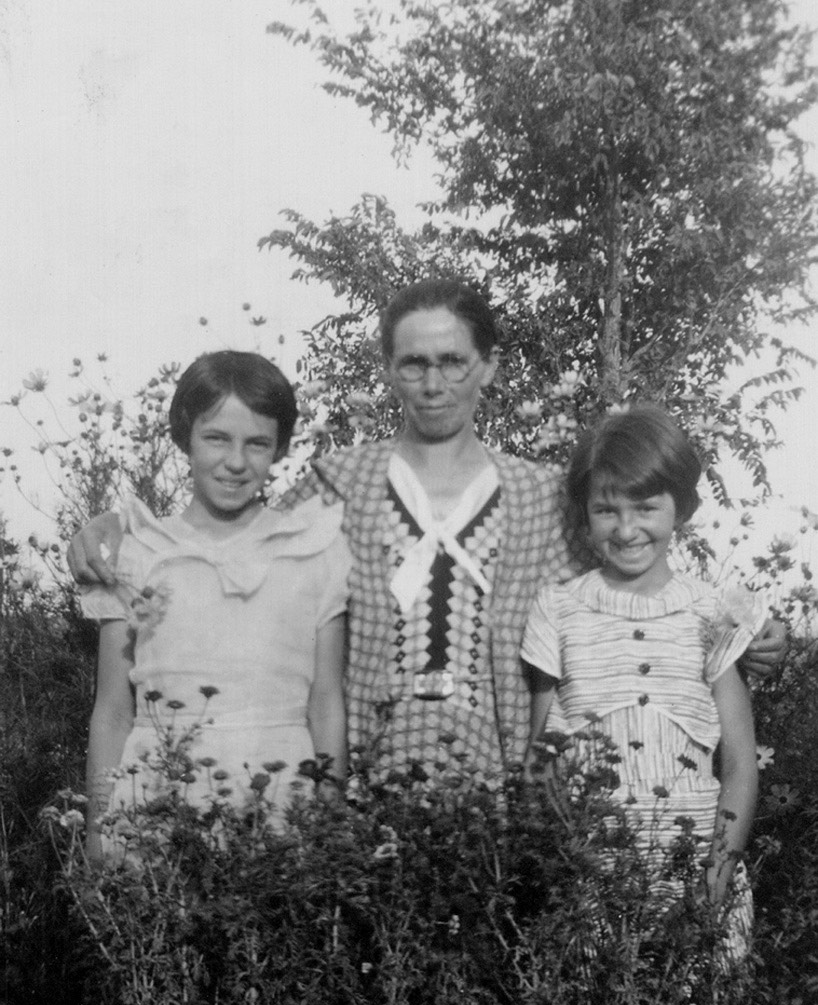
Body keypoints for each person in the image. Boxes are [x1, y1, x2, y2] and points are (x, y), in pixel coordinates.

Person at [68, 280, 785, 784]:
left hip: (503, 786)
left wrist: (739, 633)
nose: (433, 384)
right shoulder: (338, 483)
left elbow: (631, 585)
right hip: (363, 781)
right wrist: (109, 532)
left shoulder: (542, 495)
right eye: (414, 363)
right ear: (389, 369)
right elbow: (236, 546)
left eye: (452, 362)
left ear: (488, 367)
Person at [81, 350, 349, 859]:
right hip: (158, 793)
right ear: (186, 437)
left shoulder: (315, 548)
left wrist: (331, 826)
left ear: (279, 448)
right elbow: (113, 711)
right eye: (217, 438)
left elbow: (326, 701)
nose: (236, 462)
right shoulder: (139, 551)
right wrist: (98, 832)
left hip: (281, 791)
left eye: (257, 443)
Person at [521, 406, 763, 913]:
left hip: (698, 876)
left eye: (646, 508)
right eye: (606, 510)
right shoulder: (557, 609)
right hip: (591, 880)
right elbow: (539, 761)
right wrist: (564, 866)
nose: (627, 530)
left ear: (682, 507)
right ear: (585, 513)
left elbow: (741, 764)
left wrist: (715, 883)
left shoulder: (713, 612)